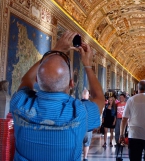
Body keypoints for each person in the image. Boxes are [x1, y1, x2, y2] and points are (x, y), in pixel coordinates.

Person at [10, 31, 105, 161]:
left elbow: (26, 79)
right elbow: (99, 97)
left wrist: (55, 50)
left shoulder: (20, 103)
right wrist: (87, 64)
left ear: (37, 80)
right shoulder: (80, 111)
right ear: (72, 83)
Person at [81, 88, 93, 161]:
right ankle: (85, 157)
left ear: (82, 95)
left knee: (78, 144)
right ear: (88, 95)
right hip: (88, 128)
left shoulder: (77, 103)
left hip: (79, 128)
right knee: (87, 143)